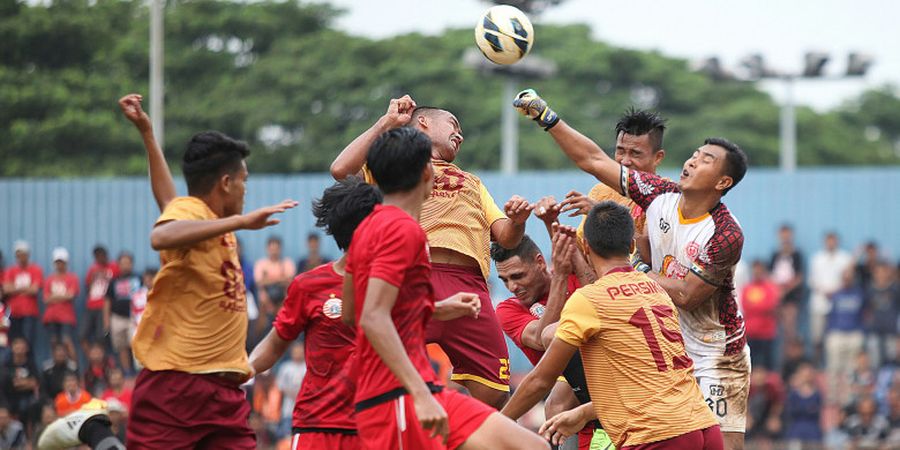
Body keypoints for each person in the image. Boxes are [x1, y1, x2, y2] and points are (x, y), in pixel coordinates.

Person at [514, 88, 750, 450]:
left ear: (722, 182)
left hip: (715, 351)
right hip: (662, 330)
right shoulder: (657, 194)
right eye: (694, 155)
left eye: (705, 160)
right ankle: (593, 423)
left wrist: (630, 262)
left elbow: (686, 295)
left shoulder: (726, 233)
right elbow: (592, 158)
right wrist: (546, 116)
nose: (692, 161)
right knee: (565, 395)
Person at [345, 127, 547, 449]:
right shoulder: (401, 230)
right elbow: (371, 317)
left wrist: (434, 308)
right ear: (427, 171)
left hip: (453, 307)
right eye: (453, 125)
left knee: (514, 423)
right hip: (397, 396)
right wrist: (422, 395)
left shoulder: (373, 230)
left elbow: (352, 313)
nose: (460, 134)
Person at [500, 201, 722, 449]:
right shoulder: (656, 290)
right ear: (631, 245)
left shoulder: (589, 299)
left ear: (585, 246)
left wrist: (494, 425)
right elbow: (648, 383)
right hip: (703, 424)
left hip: (655, 432)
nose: (512, 286)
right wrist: (584, 413)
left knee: (555, 340)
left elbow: (541, 379)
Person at [249, 176, 382, 450]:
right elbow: (275, 344)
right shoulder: (308, 286)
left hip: (376, 424)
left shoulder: (393, 284)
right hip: (318, 426)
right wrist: (239, 371)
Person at [491, 234, 609, 450]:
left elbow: (603, 298)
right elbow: (540, 338)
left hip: (610, 363)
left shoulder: (575, 276)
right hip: (575, 382)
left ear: (539, 263)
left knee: (556, 402)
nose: (512, 287)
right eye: (505, 280)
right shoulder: (507, 309)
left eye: (517, 276)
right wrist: (560, 279)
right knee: (555, 405)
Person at [809, 232, 853, 352]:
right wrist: (824, 291)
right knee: (817, 338)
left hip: (838, 303)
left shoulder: (845, 258)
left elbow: (847, 279)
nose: (831, 243)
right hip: (819, 303)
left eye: (833, 240)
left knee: (834, 338)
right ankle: (816, 365)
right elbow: (812, 280)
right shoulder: (817, 258)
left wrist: (835, 291)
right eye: (828, 240)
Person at [103, 252, 140, 374]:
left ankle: (138, 370)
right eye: (123, 263)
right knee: (121, 346)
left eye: (128, 263)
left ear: (132, 264)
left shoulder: (138, 278)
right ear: (118, 264)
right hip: (117, 318)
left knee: (136, 344)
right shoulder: (113, 281)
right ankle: (127, 371)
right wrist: (106, 322)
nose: (125, 265)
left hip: (135, 318)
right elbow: (107, 301)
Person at [740, 260, 781, 370]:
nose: (757, 272)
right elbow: (745, 306)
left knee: (767, 365)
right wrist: (760, 307)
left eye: (759, 270)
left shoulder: (770, 288)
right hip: (750, 333)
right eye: (755, 270)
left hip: (766, 333)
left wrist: (754, 307)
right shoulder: (747, 288)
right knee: (749, 365)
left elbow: (771, 305)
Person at [768, 224, 805, 341]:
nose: (785, 237)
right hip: (776, 294)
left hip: (791, 296)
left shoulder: (797, 255)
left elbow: (799, 277)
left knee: (790, 327)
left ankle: (791, 354)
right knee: (778, 330)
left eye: (787, 235)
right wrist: (776, 290)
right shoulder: (775, 255)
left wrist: (785, 290)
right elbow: (769, 275)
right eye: (782, 235)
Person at [3, 240, 42, 348]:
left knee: (27, 342)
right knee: (13, 341)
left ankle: (28, 364)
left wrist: (15, 288)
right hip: (13, 312)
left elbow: (34, 290)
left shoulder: (35, 270)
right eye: (18, 255)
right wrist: (26, 288)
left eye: (23, 254)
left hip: (29, 312)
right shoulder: (10, 271)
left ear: (28, 255)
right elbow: (6, 289)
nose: (21, 257)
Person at [42, 247, 79, 361]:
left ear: (66, 263)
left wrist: (54, 297)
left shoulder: (72, 278)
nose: (59, 265)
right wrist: (63, 296)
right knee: (54, 342)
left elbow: (71, 296)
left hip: (66, 316)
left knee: (66, 340)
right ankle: (57, 366)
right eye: (57, 262)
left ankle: (75, 368)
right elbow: (46, 299)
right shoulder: (49, 279)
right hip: (51, 316)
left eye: (61, 262)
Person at [82, 246, 119, 354]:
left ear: (106, 255)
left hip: (104, 307)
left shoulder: (114, 267)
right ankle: (93, 359)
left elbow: (118, 286)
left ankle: (101, 363)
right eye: (96, 256)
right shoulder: (93, 269)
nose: (99, 258)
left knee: (101, 337)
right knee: (82, 335)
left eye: (101, 256)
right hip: (90, 306)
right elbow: (87, 286)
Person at [2, 338, 40, 430]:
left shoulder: (31, 364)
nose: (19, 348)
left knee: (32, 406)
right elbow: (14, 384)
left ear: (26, 348)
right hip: (9, 397)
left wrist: (23, 383)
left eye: (22, 346)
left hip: (27, 397)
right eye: (17, 345)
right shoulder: (7, 365)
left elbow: (35, 383)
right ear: (12, 348)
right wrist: (27, 382)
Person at [254, 235, 297, 318]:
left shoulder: (287, 262)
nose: (274, 252)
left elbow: (290, 281)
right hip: (265, 304)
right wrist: (281, 278)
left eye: (276, 249)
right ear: (267, 249)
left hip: (283, 302)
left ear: (280, 249)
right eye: (272, 249)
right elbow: (259, 283)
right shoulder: (261, 263)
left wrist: (268, 279)